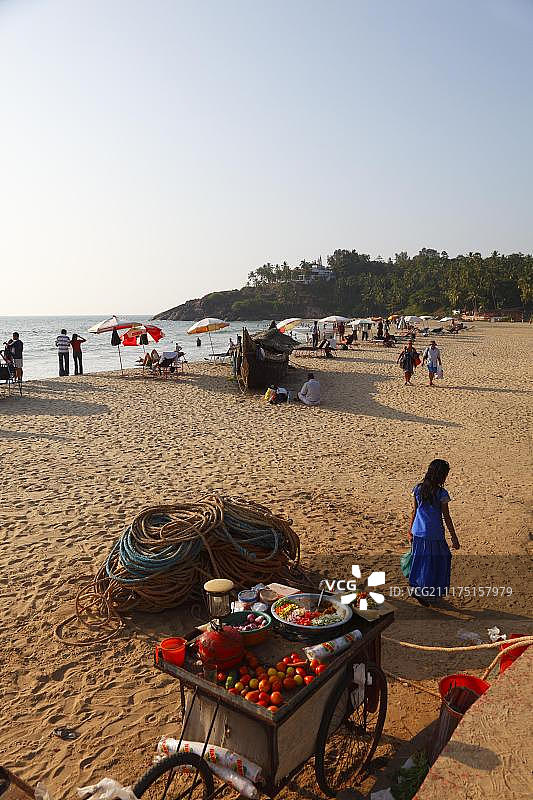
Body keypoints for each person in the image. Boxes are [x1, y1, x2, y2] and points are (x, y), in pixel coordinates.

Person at [408, 459, 460, 606]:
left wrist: (410, 530)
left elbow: (414, 510)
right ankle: (426, 592)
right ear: (441, 476)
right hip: (434, 534)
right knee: (439, 560)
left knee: (422, 561)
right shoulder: (441, 493)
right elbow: (446, 516)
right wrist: (454, 537)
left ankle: (419, 588)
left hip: (418, 531)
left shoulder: (418, 489)